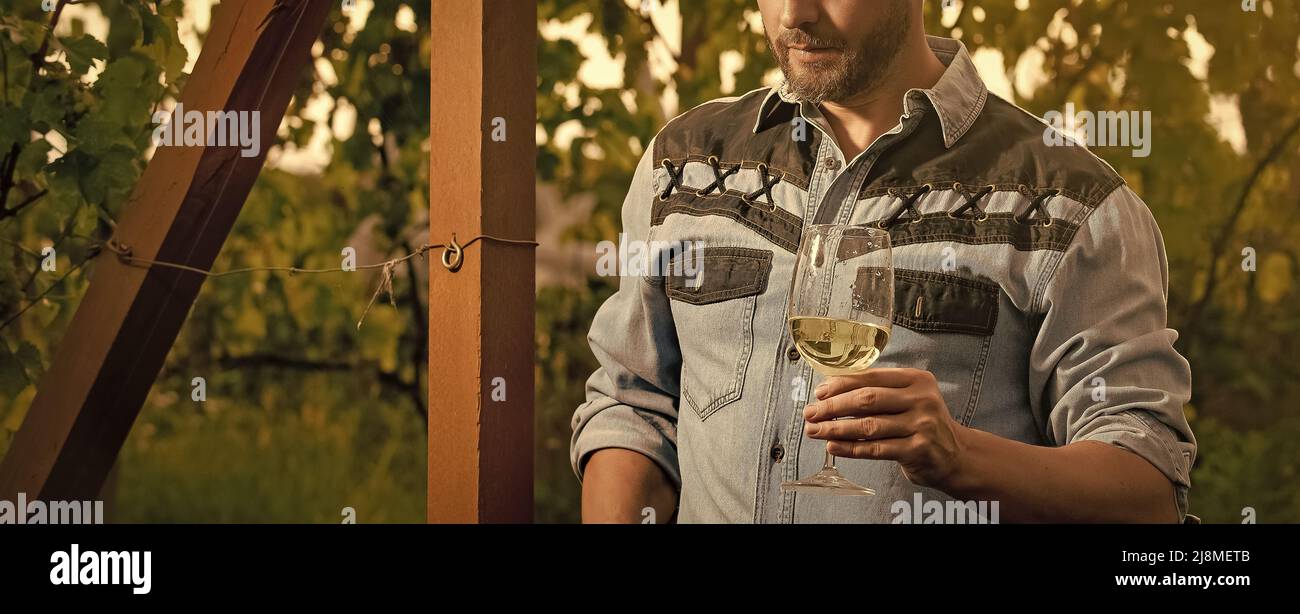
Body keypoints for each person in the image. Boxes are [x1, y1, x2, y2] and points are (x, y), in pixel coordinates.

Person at [570, 0, 1196, 523]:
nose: (796, 14)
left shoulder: (1075, 204)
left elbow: (1148, 486)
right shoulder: (681, 164)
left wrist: (964, 458)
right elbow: (633, 405)